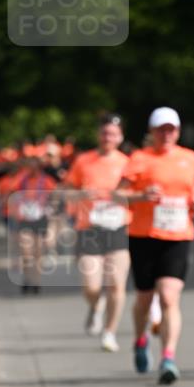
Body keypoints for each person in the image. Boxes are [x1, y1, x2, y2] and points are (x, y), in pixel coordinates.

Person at [115, 107, 194, 384]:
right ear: (152, 132)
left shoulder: (189, 158)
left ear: (177, 131)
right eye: (161, 129)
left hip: (178, 236)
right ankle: (140, 339)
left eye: (171, 129)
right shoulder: (139, 159)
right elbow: (118, 193)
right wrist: (141, 195)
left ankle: (168, 357)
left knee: (168, 297)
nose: (167, 134)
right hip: (144, 236)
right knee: (144, 297)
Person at [64, 114, 131, 351]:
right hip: (89, 228)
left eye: (113, 134)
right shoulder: (84, 161)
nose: (108, 138)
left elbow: (137, 195)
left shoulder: (128, 162)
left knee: (116, 284)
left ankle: (109, 332)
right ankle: (96, 305)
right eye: (104, 133)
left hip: (118, 228)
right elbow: (68, 192)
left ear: (120, 137)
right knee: (91, 286)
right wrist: (82, 195)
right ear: (98, 135)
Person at [10, 155, 58, 293]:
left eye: (33, 166)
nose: (30, 169)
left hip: (40, 218)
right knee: (26, 253)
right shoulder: (22, 179)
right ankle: (27, 278)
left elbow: (54, 197)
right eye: (28, 166)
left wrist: (51, 211)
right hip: (24, 218)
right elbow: (12, 193)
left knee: (37, 252)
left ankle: (36, 281)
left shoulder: (47, 181)